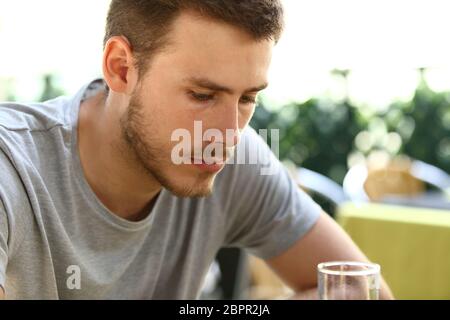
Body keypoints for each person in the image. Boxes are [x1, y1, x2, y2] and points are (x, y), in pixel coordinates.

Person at [0, 0, 393, 299]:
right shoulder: (11, 168)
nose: (228, 134)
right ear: (121, 68)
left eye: (247, 99)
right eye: (202, 95)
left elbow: (362, 289)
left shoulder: (235, 160)